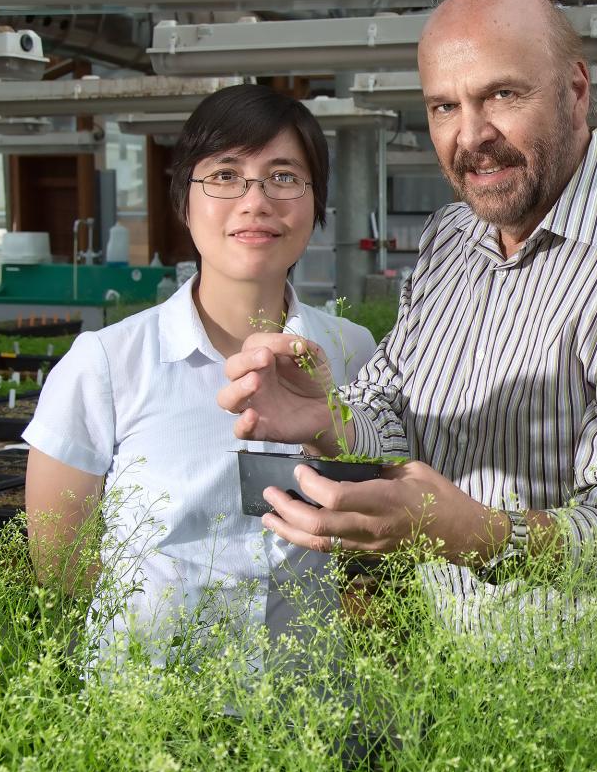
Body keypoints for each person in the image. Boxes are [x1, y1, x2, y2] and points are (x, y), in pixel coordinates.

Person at [217, 0, 597, 629]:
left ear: (576, 91)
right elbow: (395, 403)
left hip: (591, 701)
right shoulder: (450, 237)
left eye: (503, 95)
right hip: (448, 683)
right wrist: (331, 418)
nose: (472, 134)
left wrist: (482, 535)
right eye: (444, 107)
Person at [24, 84, 376, 671]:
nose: (255, 201)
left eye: (284, 176)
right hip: (152, 705)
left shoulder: (349, 351)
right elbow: (62, 562)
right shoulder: (107, 364)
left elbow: (372, 517)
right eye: (225, 175)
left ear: (318, 206)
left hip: (305, 705)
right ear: (184, 202)